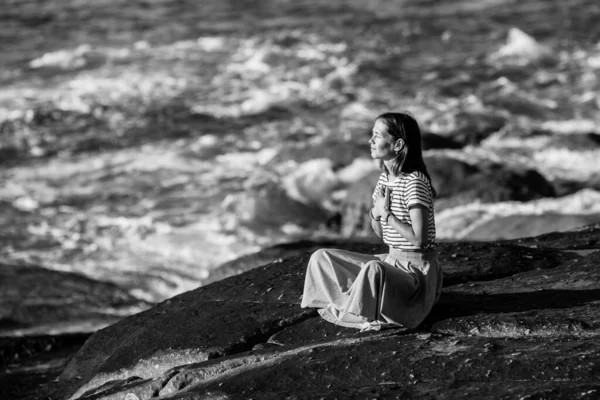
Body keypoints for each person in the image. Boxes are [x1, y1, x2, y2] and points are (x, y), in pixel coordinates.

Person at [301, 112, 442, 331]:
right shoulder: (385, 178)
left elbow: (420, 241)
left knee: (374, 270)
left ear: (397, 145)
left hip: (416, 274)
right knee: (322, 258)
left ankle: (360, 309)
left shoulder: (414, 183)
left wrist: (386, 214)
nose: (370, 141)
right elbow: (383, 233)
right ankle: (358, 306)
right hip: (392, 259)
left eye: (377, 135)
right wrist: (376, 215)